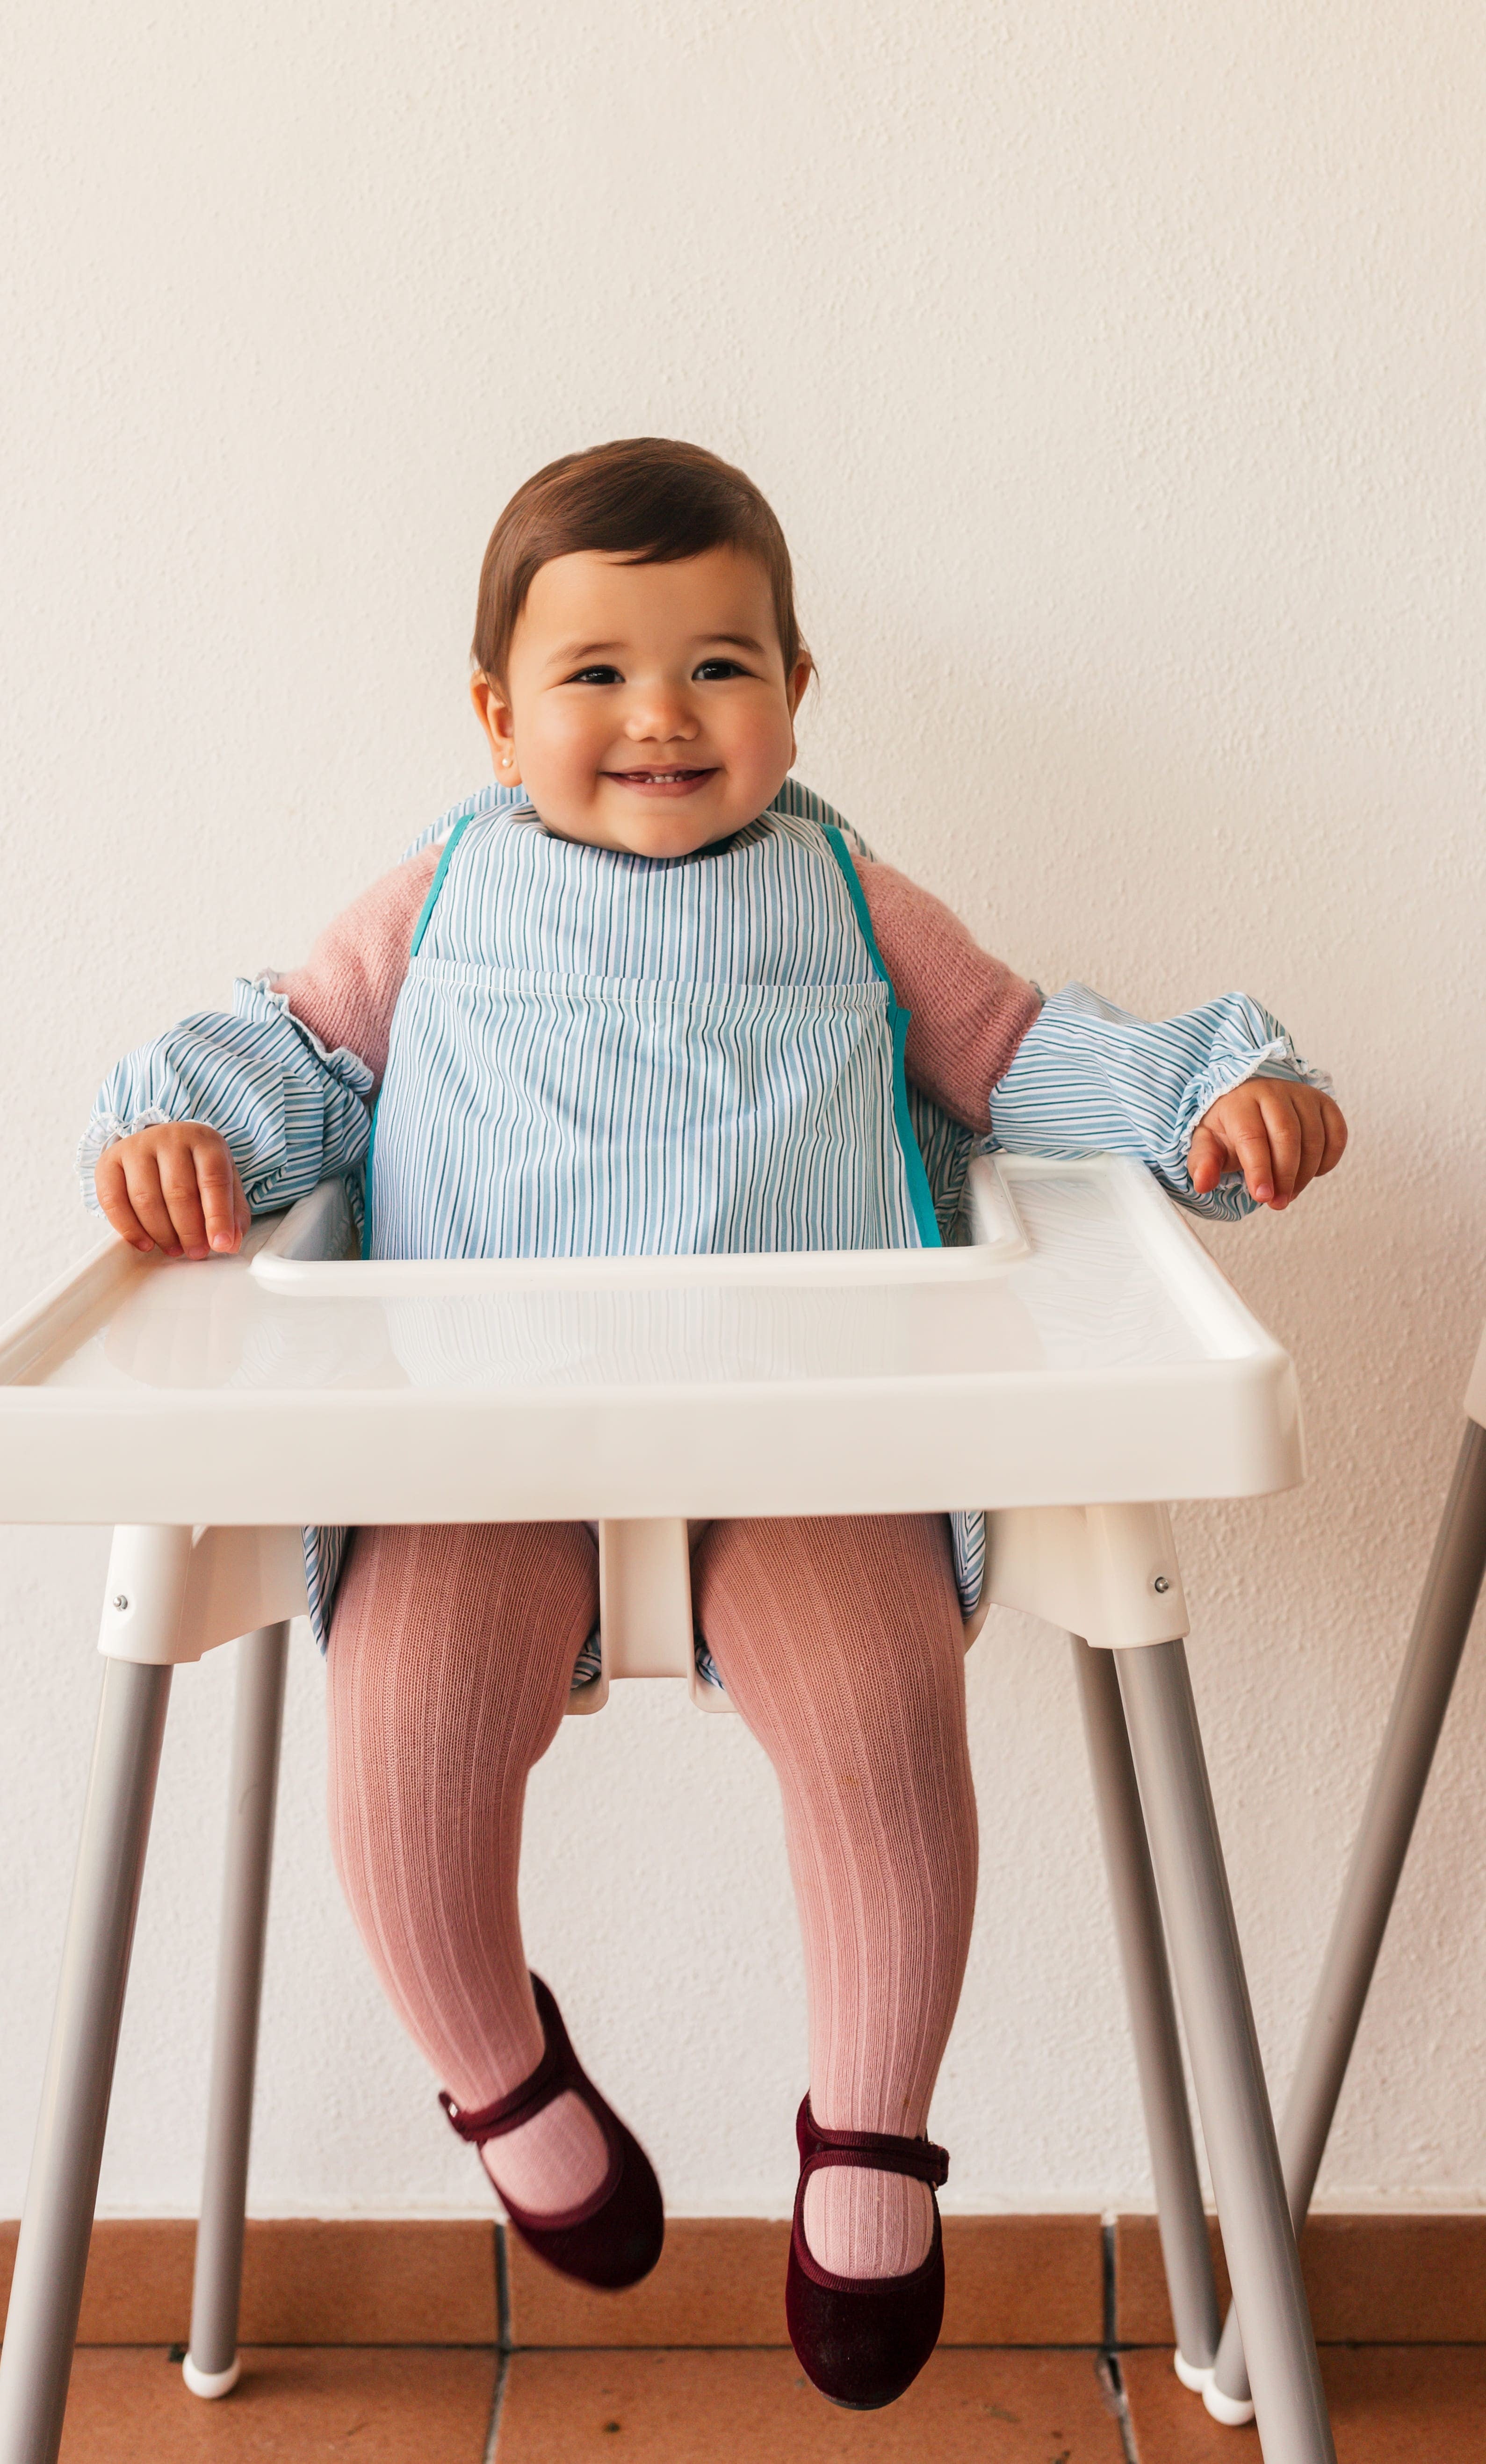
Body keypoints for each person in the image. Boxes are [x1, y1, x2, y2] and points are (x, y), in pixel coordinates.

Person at [82, 438, 1346, 2410]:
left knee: (883, 1733)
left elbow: (1022, 1055)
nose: (660, 713)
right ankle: (503, 2075)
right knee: (404, 1748)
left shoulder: (840, 886)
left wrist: (1204, 1097)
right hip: (476, 1449)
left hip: (808, 1440)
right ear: (499, 716)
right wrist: (182, 1127)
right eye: (594, 673)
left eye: (721, 665)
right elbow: (299, 1050)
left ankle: (871, 2135)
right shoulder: (441, 891)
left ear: (797, 692)